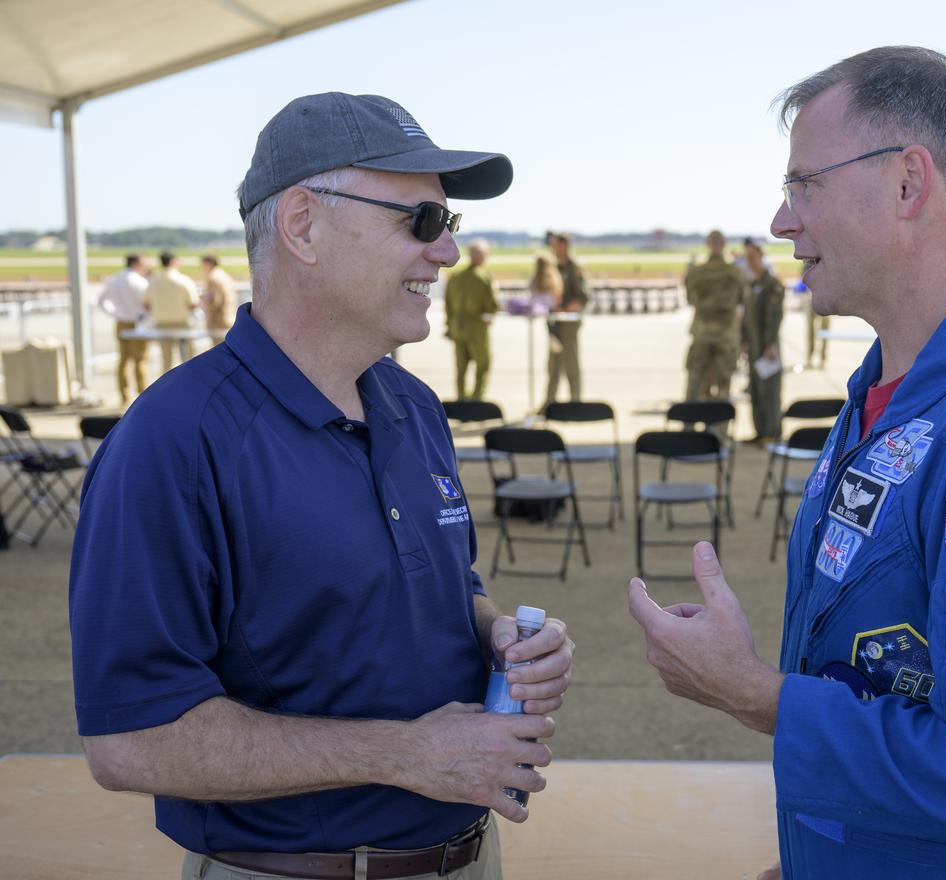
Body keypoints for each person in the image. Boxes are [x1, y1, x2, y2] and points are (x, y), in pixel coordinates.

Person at [628, 47, 946, 880]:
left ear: (906, 184)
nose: (783, 222)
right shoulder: (884, 393)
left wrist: (757, 695)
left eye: (802, 185)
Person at [69, 92, 575, 880]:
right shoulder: (174, 441)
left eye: (449, 225)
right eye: (422, 221)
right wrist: (403, 754)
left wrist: (496, 633)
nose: (445, 254)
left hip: (469, 858)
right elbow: (131, 741)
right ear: (303, 225)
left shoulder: (411, 407)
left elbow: (449, 584)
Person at [683, 229, 746, 400]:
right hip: (726, 336)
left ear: (707, 245)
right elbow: (743, 299)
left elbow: (689, 298)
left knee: (696, 385)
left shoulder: (696, 272)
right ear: (724, 244)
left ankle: (689, 423)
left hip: (702, 334)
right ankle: (720, 425)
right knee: (723, 388)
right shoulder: (735, 273)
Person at [741, 238, 785, 444]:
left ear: (761, 257)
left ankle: (772, 432)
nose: (749, 262)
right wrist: (743, 341)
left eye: (752, 257)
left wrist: (770, 344)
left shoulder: (772, 284)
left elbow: (774, 316)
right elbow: (746, 317)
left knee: (769, 391)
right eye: (746, 258)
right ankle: (760, 431)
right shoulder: (751, 285)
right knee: (756, 390)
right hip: (753, 346)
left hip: (767, 346)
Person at [445, 239, 500, 399]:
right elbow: (492, 304)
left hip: (457, 325)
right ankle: (477, 399)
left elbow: (448, 304)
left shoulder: (455, 277)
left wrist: (449, 325)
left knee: (461, 366)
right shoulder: (484, 277)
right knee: (483, 363)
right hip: (476, 326)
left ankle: (461, 398)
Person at [96, 253, 151, 403]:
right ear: (136, 263)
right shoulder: (140, 282)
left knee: (123, 359)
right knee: (140, 360)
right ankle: (142, 393)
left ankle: (124, 394)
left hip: (121, 322)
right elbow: (147, 305)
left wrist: (115, 313)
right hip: (137, 323)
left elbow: (101, 301)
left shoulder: (114, 279)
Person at [543, 233, 589, 406]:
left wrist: (563, 309)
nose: (555, 249)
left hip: (569, 322)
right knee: (553, 365)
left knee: (571, 362)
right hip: (554, 322)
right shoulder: (551, 267)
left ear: (566, 246)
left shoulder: (575, 268)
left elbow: (583, 298)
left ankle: (575, 401)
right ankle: (549, 402)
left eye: (559, 245)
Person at [143, 251, 199, 370]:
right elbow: (193, 303)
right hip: (182, 323)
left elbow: (146, 304)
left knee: (166, 359)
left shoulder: (153, 280)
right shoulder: (183, 280)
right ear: (173, 262)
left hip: (161, 323)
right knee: (188, 358)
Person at [200, 254, 239, 341]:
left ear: (208, 263)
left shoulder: (213, 278)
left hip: (218, 321)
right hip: (228, 317)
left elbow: (215, 301)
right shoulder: (223, 275)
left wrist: (204, 302)